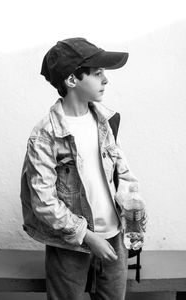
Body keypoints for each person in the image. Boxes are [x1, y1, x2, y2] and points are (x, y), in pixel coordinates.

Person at [20, 37, 142, 300]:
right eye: (98, 74)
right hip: (71, 245)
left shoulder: (105, 120)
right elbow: (43, 201)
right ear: (72, 80)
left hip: (115, 238)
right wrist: (87, 237)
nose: (106, 80)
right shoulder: (45, 135)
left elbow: (123, 173)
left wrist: (134, 216)